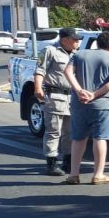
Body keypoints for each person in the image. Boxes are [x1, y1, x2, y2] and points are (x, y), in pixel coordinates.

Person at [63, 31, 109, 185]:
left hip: (79, 103)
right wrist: (94, 94)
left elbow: (67, 72)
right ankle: (98, 175)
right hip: (102, 105)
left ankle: (73, 174)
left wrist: (79, 90)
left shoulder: (79, 54)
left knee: (78, 138)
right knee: (100, 138)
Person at [34, 27, 81, 176]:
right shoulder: (50, 50)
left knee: (70, 132)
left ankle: (67, 161)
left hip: (71, 98)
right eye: (74, 39)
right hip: (54, 96)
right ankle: (52, 163)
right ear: (64, 40)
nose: (77, 42)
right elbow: (40, 70)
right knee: (54, 131)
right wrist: (37, 88)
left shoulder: (76, 55)